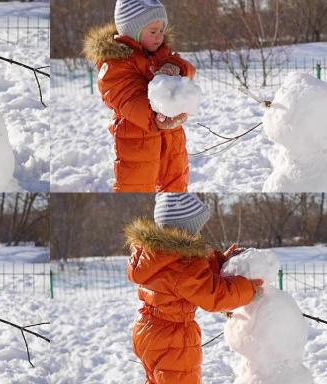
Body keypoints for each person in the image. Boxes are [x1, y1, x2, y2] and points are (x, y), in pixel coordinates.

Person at [125, 193, 264, 383]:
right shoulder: (184, 264)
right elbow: (213, 294)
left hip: (146, 330)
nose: (200, 234)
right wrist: (248, 289)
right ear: (185, 231)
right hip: (173, 340)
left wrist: (222, 261)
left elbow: (195, 279)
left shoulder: (156, 254)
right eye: (197, 229)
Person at [85, 0, 196, 192]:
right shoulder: (116, 64)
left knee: (176, 185)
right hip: (137, 139)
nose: (159, 37)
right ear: (132, 31)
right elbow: (126, 97)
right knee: (136, 185)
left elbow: (188, 71)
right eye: (153, 32)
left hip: (172, 136)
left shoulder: (163, 54)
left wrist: (176, 66)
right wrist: (155, 118)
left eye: (161, 31)